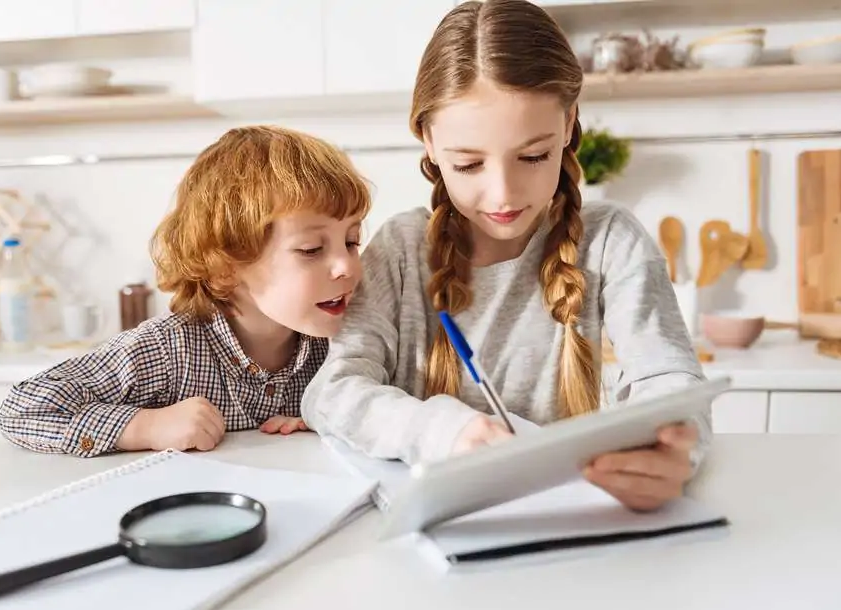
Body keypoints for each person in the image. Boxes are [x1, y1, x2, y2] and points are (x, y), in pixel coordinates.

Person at [301, 0, 708, 512]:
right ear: (428, 141)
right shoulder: (402, 250)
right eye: (469, 164)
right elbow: (332, 393)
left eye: (533, 157)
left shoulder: (610, 241)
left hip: (579, 528)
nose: (503, 196)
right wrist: (441, 430)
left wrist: (672, 450)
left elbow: (671, 382)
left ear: (568, 124)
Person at [0, 125, 370, 458]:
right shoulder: (165, 351)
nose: (348, 266)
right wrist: (144, 427)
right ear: (226, 267)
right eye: (311, 250)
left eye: (352, 242)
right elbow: (22, 408)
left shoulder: (344, 344)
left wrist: (334, 417)